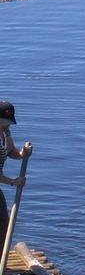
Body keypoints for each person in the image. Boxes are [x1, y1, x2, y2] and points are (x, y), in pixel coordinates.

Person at [0, 101, 31, 241]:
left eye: (9, 122)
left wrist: (22, 154)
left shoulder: (5, 131)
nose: (7, 125)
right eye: (4, 122)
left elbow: (10, 150)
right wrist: (12, 181)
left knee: (3, 225)